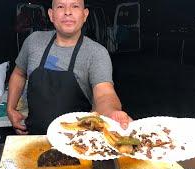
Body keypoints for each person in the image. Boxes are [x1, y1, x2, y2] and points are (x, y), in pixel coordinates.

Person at [7, 0, 132, 135]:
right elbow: (19, 74)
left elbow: (104, 93)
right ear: (51, 14)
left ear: (84, 15)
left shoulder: (96, 53)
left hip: (78, 143)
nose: (68, 12)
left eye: (75, 6)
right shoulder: (33, 41)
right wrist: (11, 108)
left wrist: (112, 113)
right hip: (34, 139)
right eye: (61, 6)